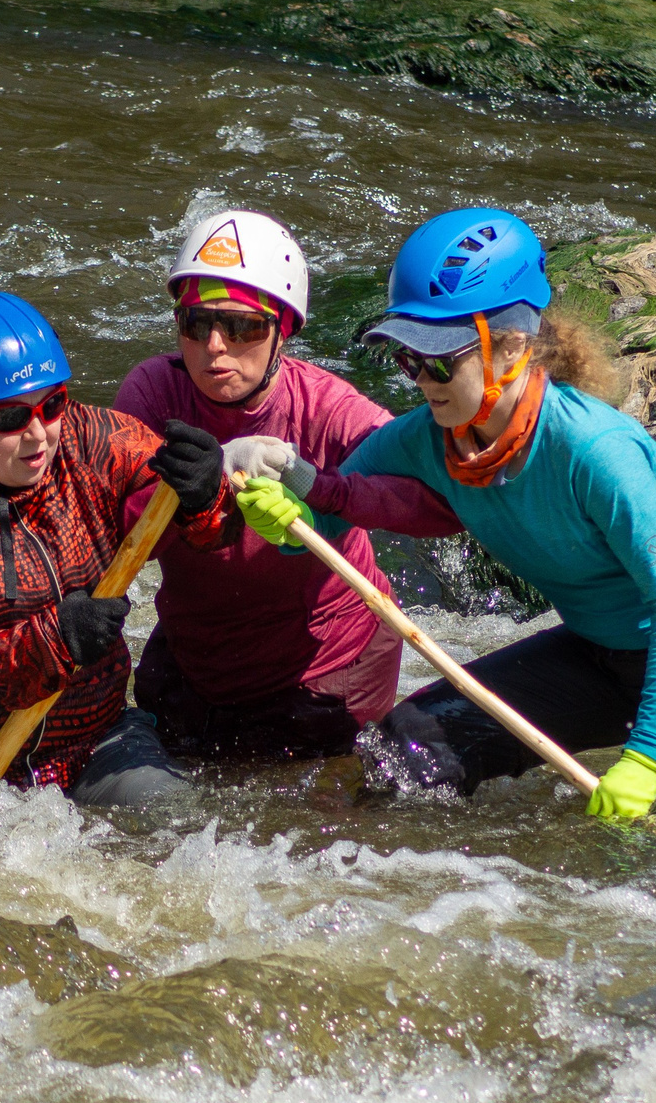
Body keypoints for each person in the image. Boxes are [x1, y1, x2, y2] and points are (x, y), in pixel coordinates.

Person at [237, 210, 656, 838]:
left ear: (508, 346)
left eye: (439, 361)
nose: (421, 381)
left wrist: (647, 757)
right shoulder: (426, 437)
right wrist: (289, 526)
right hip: (601, 652)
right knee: (401, 753)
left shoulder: (594, 448)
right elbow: (327, 521)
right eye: (406, 360)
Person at [111, 210, 459, 760]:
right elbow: (121, 534)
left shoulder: (329, 409)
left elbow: (442, 504)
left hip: (329, 665)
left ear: (284, 330)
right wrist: (200, 488)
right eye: (196, 325)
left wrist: (320, 488)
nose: (215, 347)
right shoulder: (153, 392)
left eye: (243, 327)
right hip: (198, 655)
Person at [0, 291, 228, 803]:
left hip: (94, 742)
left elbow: (209, 529)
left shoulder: (93, 439)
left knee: (173, 819)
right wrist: (51, 641)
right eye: (10, 418)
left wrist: (207, 494)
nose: (40, 435)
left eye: (51, 403)